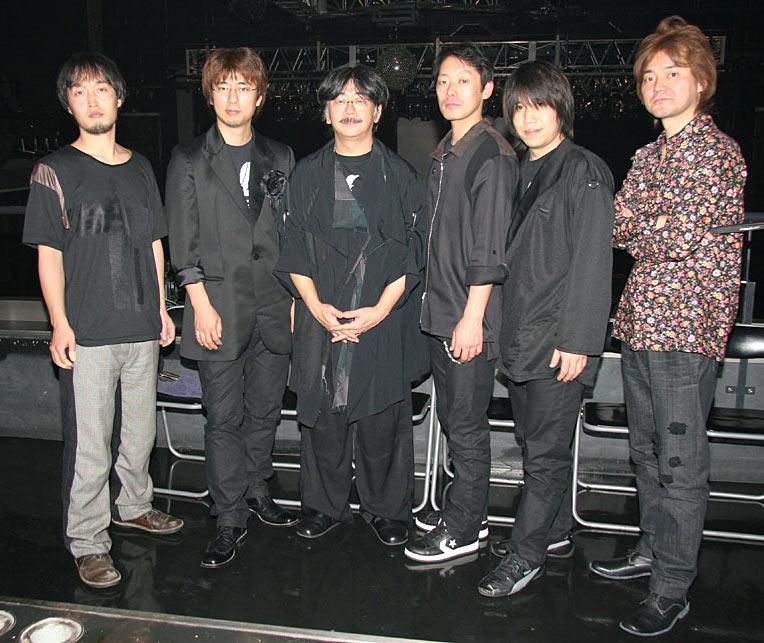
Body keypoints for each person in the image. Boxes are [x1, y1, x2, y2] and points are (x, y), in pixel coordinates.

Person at [588, 16, 747, 637]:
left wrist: (647, 225)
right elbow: (620, 226)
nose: (657, 85)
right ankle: (653, 550)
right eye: (649, 76)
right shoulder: (649, 154)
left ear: (701, 81)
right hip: (640, 323)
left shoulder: (717, 152)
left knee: (679, 462)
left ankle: (672, 587)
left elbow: (673, 237)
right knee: (645, 451)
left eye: (672, 73)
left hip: (686, 330)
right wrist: (649, 224)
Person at [22, 52, 183, 589]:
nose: (92, 101)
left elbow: (154, 243)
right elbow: (49, 254)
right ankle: (88, 541)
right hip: (88, 331)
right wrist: (59, 323)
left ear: (119, 97)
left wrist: (160, 308)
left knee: (139, 435)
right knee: (90, 445)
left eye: (101, 90)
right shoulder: (54, 170)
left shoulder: (141, 167)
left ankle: (133, 506)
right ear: (68, 104)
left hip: (141, 326)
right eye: (80, 92)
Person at [274, 65, 428, 546]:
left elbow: (414, 252)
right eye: (339, 99)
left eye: (361, 99)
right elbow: (292, 246)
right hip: (320, 315)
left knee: (384, 419)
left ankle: (388, 510)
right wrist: (316, 307)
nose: (349, 108)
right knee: (323, 417)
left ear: (377, 112)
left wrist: (379, 310)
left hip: (381, 314)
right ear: (325, 113)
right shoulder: (305, 175)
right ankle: (323, 506)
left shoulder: (401, 176)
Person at [477, 60, 614, 597]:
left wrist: (579, 340)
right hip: (522, 336)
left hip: (559, 341)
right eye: (520, 108)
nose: (530, 118)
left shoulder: (583, 169)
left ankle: (526, 554)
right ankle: (553, 532)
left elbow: (593, 262)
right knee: (534, 444)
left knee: (546, 455)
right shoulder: (518, 169)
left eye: (541, 106)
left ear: (562, 110)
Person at [166, 47, 297, 569]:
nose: (233, 97)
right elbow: (183, 241)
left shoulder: (281, 156)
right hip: (217, 308)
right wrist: (199, 303)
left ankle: (258, 489)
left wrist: (295, 299)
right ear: (210, 96)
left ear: (260, 96)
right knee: (223, 418)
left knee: (265, 411)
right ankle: (227, 515)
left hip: (274, 307)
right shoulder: (189, 159)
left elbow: (289, 237)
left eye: (244, 87)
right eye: (223, 87)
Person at [404, 43, 517, 563]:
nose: (451, 91)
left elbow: (490, 249)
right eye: (443, 81)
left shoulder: (490, 154)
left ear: (487, 89)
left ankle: (464, 529)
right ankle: (468, 511)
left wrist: (472, 320)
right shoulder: (447, 152)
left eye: (464, 81)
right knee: (453, 420)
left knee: (467, 427)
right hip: (442, 311)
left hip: (467, 319)